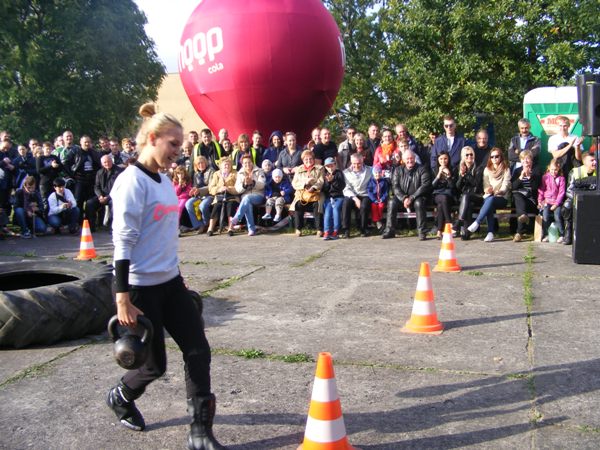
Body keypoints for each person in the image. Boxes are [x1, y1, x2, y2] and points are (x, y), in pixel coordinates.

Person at [106, 102, 227, 449]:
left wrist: (179, 277)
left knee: (197, 350)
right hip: (141, 291)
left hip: (171, 283)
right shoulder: (131, 182)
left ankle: (200, 433)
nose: (179, 153)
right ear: (153, 138)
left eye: (182, 147)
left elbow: (163, 237)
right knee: (153, 366)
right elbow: (123, 242)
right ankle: (120, 395)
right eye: (174, 145)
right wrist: (122, 298)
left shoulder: (162, 180)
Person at [382, 150, 432, 240]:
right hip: (402, 197)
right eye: (407, 159)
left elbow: (425, 186)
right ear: (403, 160)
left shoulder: (422, 169)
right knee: (391, 202)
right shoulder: (398, 170)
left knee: (419, 203)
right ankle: (389, 231)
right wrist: (404, 198)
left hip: (417, 196)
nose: (410, 160)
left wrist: (412, 197)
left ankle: (422, 231)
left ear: (415, 159)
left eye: (411, 158)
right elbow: (395, 187)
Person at [467, 148, 511, 242]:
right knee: (489, 202)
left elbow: (506, 185)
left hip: (501, 198)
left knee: (490, 201)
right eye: (492, 157)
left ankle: (477, 222)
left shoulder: (506, 169)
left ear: (501, 157)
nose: (494, 158)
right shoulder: (487, 169)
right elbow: (485, 185)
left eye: (497, 156)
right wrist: (487, 189)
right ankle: (490, 233)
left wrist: (500, 191)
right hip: (489, 197)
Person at [561, 152, 597, 245]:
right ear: (584, 162)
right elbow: (569, 191)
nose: (595, 162)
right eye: (592, 160)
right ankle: (568, 233)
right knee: (567, 206)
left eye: (596, 160)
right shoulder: (575, 172)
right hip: (579, 199)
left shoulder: (598, 171)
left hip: (595, 200)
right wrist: (580, 199)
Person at [63, 135, 102, 216]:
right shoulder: (75, 151)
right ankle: (79, 221)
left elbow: (99, 165)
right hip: (79, 180)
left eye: (88, 142)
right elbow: (66, 162)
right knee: (78, 201)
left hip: (91, 180)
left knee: (91, 201)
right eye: (85, 142)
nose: (87, 144)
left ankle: (90, 220)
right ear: (81, 143)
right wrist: (71, 174)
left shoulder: (94, 153)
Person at [229, 155, 266, 236]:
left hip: (258, 195)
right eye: (245, 163)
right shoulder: (240, 173)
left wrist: (253, 182)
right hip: (245, 198)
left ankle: (236, 218)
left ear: (252, 162)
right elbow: (237, 189)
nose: (247, 164)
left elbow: (263, 184)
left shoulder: (259, 170)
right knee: (247, 202)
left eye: (249, 162)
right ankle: (251, 229)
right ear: (242, 164)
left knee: (246, 198)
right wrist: (244, 185)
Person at [290, 150, 324, 237]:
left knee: (317, 206)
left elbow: (321, 181)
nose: (308, 161)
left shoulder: (320, 168)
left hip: (314, 194)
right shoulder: (299, 169)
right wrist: (304, 184)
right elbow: (294, 183)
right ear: (303, 160)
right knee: (298, 205)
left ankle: (319, 229)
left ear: (314, 159)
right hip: (302, 195)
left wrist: (313, 187)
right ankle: (298, 229)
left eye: (310, 159)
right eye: (306, 159)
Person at [85, 154, 122, 231]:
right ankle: (91, 227)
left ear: (112, 161)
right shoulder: (99, 172)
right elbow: (96, 186)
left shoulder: (119, 171)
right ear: (102, 163)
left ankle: (113, 228)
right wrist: (100, 196)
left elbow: (119, 188)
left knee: (114, 204)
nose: (107, 163)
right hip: (102, 196)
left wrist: (108, 197)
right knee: (89, 203)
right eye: (105, 162)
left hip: (114, 196)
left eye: (108, 161)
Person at [510, 150, 540, 242]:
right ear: (521, 161)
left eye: (528, 159)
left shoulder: (536, 170)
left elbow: (537, 187)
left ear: (531, 160)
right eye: (523, 159)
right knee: (517, 194)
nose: (526, 161)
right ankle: (519, 231)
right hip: (520, 199)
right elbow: (513, 187)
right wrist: (520, 177)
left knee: (519, 203)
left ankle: (519, 232)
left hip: (532, 200)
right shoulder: (517, 171)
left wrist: (530, 177)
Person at [455, 146, 484, 240]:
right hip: (464, 198)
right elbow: (457, 187)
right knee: (468, 204)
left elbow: (476, 184)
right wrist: (461, 176)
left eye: (471, 154)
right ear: (463, 156)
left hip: (477, 195)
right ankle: (466, 233)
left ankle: (460, 220)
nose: (469, 156)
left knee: (466, 197)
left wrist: (466, 174)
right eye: (467, 155)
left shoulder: (479, 168)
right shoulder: (458, 168)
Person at [206, 157, 239, 236]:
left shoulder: (235, 173)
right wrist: (219, 189)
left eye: (228, 165)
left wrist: (229, 188)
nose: (226, 166)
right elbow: (211, 188)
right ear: (220, 166)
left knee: (230, 206)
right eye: (225, 165)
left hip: (232, 196)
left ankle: (230, 228)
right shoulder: (216, 174)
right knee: (216, 206)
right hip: (219, 196)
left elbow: (238, 188)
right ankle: (210, 228)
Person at [342, 153, 372, 238]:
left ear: (362, 161)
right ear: (351, 162)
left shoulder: (370, 170)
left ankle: (363, 229)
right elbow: (346, 188)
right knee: (346, 203)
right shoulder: (346, 172)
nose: (356, 165)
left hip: (365, 193)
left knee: (364, 205)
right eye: (354, 163)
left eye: (359, 163)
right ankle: (346, 230)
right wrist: (355, 199)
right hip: (352, 195)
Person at [537, 159, 566, 243]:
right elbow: (541, 189)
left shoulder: (561, 179)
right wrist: (540, 200)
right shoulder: (545, 177)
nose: (553, 171)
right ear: (549, 168)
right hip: (547, 201)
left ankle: (562, 235)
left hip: (557, 202)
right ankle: (546, 234)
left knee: (557, 216)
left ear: (559, 168)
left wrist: (556, 204)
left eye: (555, 169)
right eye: (552, 169)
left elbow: (561, 192)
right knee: (545, 216)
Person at [185, 156, 215, 233]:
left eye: (202, 163)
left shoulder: (211, 171)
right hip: (199, 196)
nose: (201, 165)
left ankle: (207, 224)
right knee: (188, 204)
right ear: (196, 165)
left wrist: (199, 190)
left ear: (206, 163)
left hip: (209, 195)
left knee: (203, 205)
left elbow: (211, 186)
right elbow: (195, 186)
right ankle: (198, 225)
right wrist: (193, 190)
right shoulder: (196, 174)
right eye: (198, 164)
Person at [431, 151, 457, 239]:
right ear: (438, 160)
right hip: (437, 194)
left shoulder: (453, 169)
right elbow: (432, 186)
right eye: (441, 159)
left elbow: (453, 187)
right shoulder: (434, 169)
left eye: (445, 158)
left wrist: (449, 175)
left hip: (449, 195)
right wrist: (438, 175)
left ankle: (439, 231)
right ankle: (449, 224)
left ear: (448, 159)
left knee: (441, 205)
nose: (443, 161)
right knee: (442, 199)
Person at [322, 157, 345, 240]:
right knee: (328, 211)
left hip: (338, 197)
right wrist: (328, 182)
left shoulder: (339, 173)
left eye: (332, 166)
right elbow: (324, 189)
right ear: (325, 167)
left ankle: (336, 230)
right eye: (328, 166)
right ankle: (327, 231)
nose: (330, 168)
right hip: (329, 198)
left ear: (335, 165)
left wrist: (333, 181)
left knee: (336, 209)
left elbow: (341, 186)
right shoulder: (325, 175)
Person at [37, 141, 63, 213]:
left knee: (56, 200)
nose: (48, 150)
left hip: (54, 182)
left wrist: (57, 166)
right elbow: (39, 170)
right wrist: (50, 166)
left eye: (50, 149)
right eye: (46, 149)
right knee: (45, 202)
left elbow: (60, 168)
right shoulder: (40, 158)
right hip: (44, 183)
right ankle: (45, 220)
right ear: (43, 149)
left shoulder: (54, 157)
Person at [367, 164, 389, 232]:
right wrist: (374, 199)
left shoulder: (384, 182)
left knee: (381, 206)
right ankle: (378, 221)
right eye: (376, 173)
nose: (377, 174)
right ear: (373, 174)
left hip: (382, 199)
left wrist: (382, 198)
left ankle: (378, 220)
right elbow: (369, 191)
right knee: (374, 206)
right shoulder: (371, 181)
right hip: (374, 199)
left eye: (379, 172)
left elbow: (386, 192)